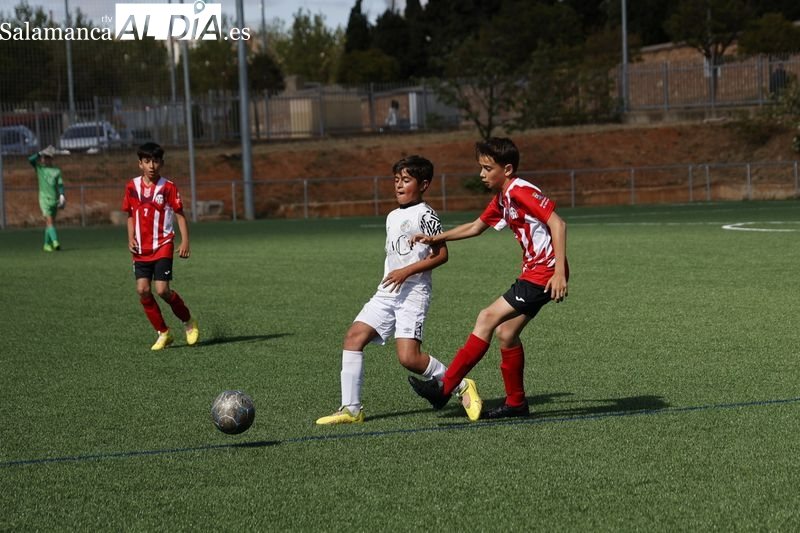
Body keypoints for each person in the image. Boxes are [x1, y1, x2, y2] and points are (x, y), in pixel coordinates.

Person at [408, 137, 568, 420]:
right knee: (506, 334)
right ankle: (517, 404)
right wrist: (436, 237)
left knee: (486, 317)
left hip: (543, 273)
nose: (481, 174)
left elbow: (558, 222)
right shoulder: (503, 198)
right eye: (480, 167)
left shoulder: (519, 191)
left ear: (506, 169)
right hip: (534, 272)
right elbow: (475, 227)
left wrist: (557, 273)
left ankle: (445, 387)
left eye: (487, 168)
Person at [316, 155, 481, 425]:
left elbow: (441, 255)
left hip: (413, 293)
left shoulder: (426, 214)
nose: (399, 186)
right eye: (396, 180)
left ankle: (462, 384)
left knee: (409, 358)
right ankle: (351, 409)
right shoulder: (392, 215)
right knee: (353, 338)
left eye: (406, 180)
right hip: (387, 290)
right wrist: (395, 274)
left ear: (424, 184)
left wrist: (407, 271)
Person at [122, 142, 199, 351]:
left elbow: (180, 215)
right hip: (141, 248)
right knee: (142, 290)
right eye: (147, 161)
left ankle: (188, 321)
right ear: (140, 164)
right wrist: (131, 239)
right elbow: (130, 215)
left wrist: (185, 241)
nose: (151, 165)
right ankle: (164, 332)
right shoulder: (132, 187)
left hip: (163, 244)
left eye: (155, 161)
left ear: (161, 163)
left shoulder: (168, 187)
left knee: (162, 290)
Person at [28, 145, 65, 252]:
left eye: (46, 157)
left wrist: (62, 195)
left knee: (50, 223)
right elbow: (30, 160)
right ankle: (55, 242)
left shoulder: (57, 171)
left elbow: (60, 185)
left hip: (54, 200)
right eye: (42, 157)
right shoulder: (40, 169)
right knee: (49, 221)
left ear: (51, 159)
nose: (43, 159)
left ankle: (46, 244)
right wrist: (39, 153)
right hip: (44, 200)